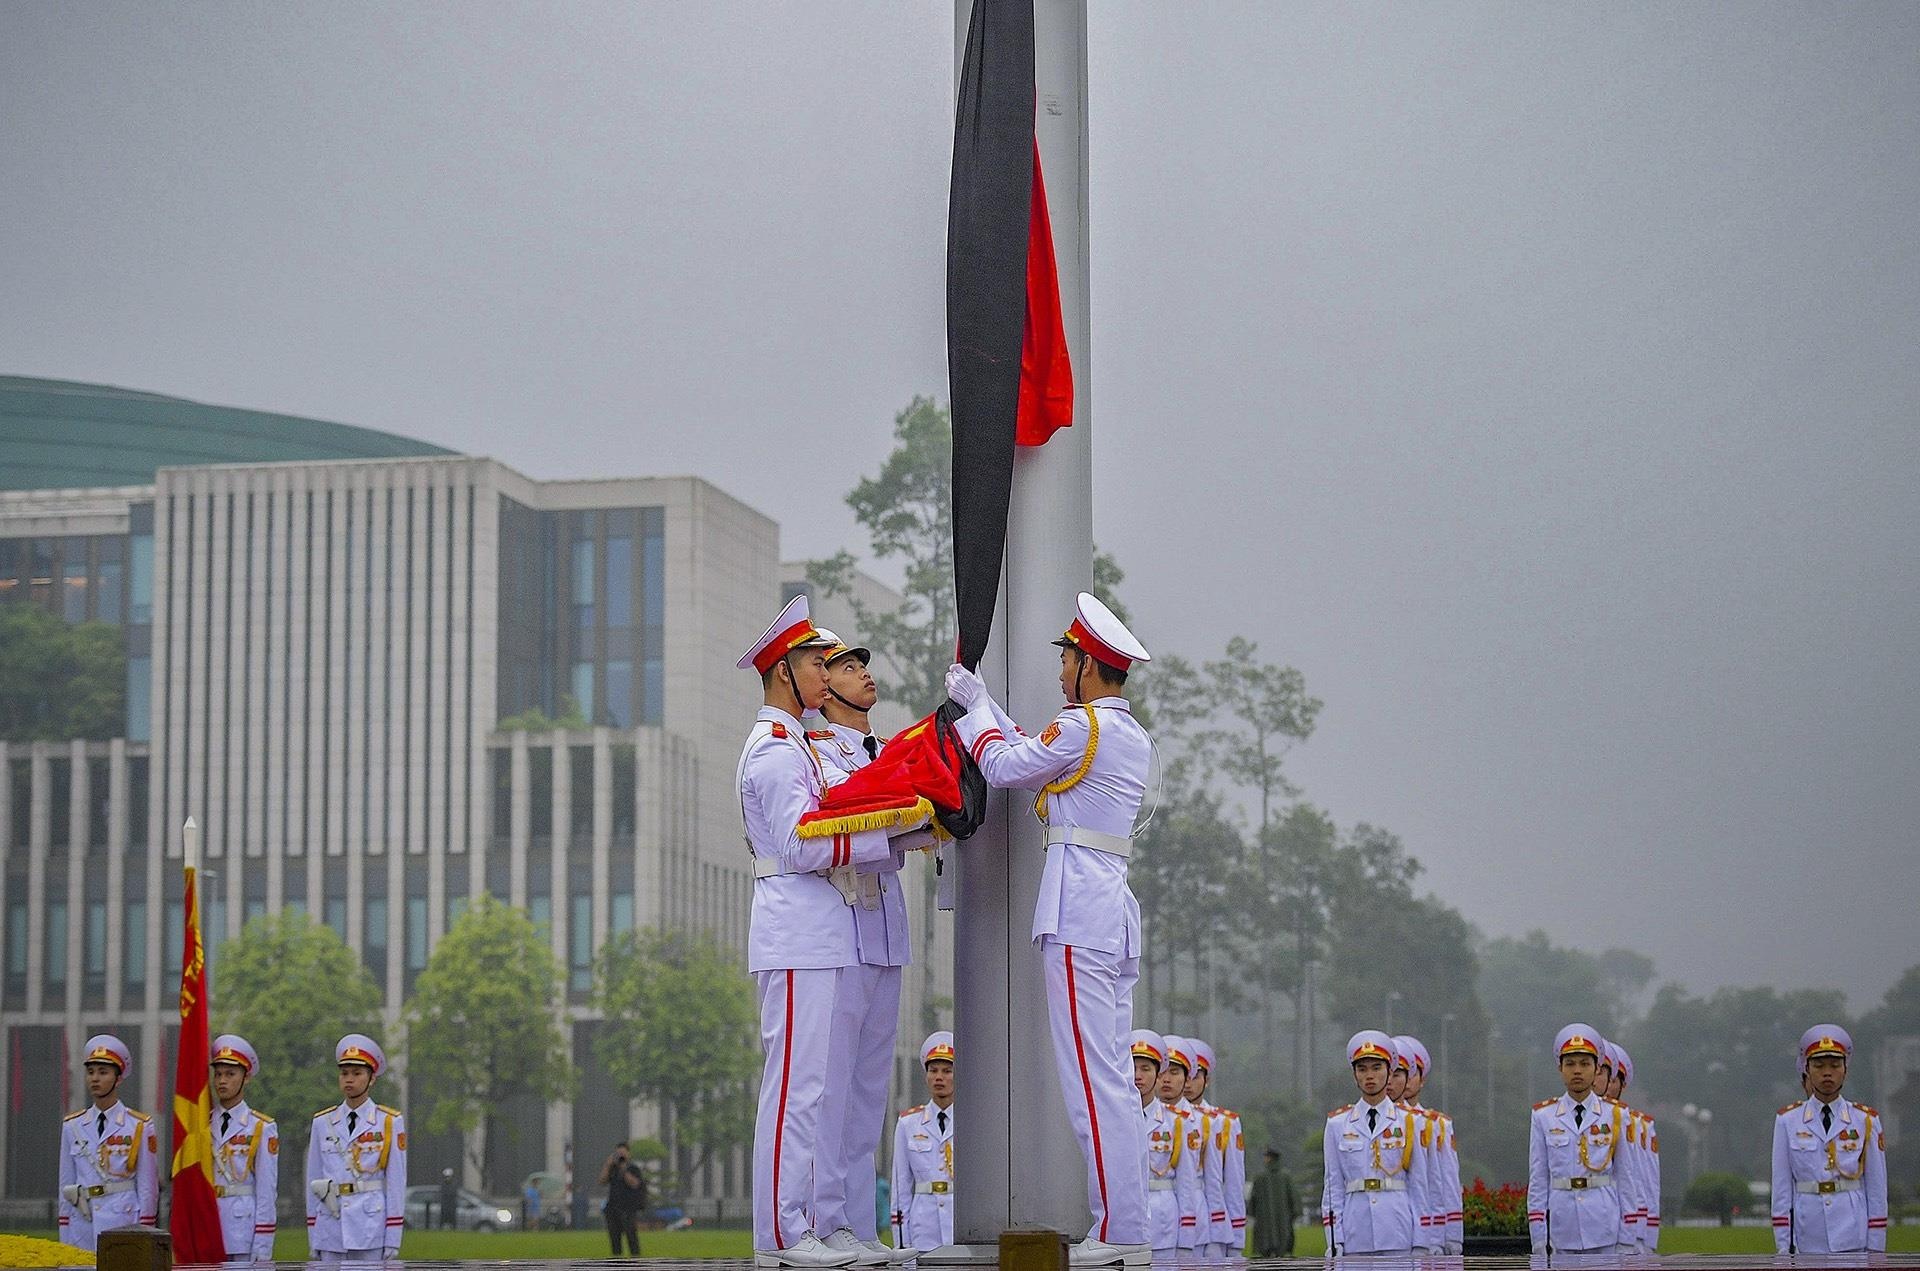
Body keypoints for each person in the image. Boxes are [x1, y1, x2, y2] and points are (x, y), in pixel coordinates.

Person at [944, 592, 1155, 1268]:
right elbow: (1033, 748)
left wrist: (973, 709)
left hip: (1078, 911)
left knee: (1091, 1080)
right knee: (1112, 1078)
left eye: (1068, 658)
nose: (1062, 668)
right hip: (1110, 908)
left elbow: (1007, 766)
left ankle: (1120, 1228)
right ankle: (1127, 1221)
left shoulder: (1082, 726)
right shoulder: (1120, 731)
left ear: (1090, 665)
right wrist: (987, 708)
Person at [739, 596, 904, 1269]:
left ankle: (827, 1222)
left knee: (826, 1091)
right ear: (785, 671)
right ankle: (783, 1233)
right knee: (796, 1091)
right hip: (797, 930)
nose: (822, 670)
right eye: (813, 661)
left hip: (819, 931)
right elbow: (803, 843)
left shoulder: (793, 748)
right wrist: (884, 831)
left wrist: (903, 827)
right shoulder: (778, 751)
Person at [810, 629, 916, 1265]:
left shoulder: (880, 747)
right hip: (843, 925)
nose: (862, 676)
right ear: (826, 687)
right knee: (833, 1086)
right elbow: (835, 827)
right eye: (847, 669)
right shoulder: (819, 752)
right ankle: (825, 1221)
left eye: (861, 666)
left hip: (883, 928)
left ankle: (856, 1223)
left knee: (869, 1088)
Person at [1771, 1025, 1888, 1254]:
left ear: (1845, 1070)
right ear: (1806, 1069)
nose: (1827, 1073)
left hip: (1853, 1234)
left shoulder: (1865, 1120)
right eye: (1819, 1065)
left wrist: (1876, 1249)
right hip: (1807, 1236)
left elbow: (1876, 1189)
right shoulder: (1787, 1120)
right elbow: (1781, 1190)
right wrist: (1784, 1248)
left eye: (1835, 1065)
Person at [1321, 1031, 1428, 1256]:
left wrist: (1422, 1241)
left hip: (1398, 1232)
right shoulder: (1337, 1124)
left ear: (1390, 1074)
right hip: (1355, 1233)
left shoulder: (1410, 1121)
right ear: (1354, 1075)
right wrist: (1334, 1239)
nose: (1369, 1076)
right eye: (1362, 1069)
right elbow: (1333, 1187)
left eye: (1376, 1068)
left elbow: (1419, 1185)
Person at [1527, 1024, 1629, 1256]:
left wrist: (1628, 1238)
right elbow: (1539, 1179)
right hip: (1564, 1228)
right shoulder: (1543, 1117)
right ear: (1560, 1068)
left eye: (1585, 1064)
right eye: (1570, 1064)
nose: (1577, 1071)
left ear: (1596, 1069)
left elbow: (1625, 1179)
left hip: (1605, 1226)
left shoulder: (1615, 1115)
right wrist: (1538, 1237)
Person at [306, 1033, 407, 1262]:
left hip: (370, 1225)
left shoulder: (389, 1122)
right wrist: (313, 1232)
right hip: (330, 1225)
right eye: (344, 1073)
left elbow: (396, 1183)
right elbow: (313, 1181)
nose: (349, 1079)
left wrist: (393, 1237)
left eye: (357, 1073)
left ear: (372, 1079)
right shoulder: (323, 1122)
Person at [57, 1034, 158, 1252]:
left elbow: (147, 1186)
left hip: (123, 1220)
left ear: (118, 1078)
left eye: (103, 1072)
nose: (95, 1079)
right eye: (91, 1072)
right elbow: (65, 1184)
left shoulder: (139, 1126)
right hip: (82, 1222)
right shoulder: (72, 1126)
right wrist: (64, 1234)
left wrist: (146, 1229)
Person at [1131, 1030, 1201, 1261]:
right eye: (1133, 1067)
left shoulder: (1177, 1123)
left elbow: (1187, 1184)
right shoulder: (1112, 1120)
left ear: (1158, 1075)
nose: (1138, 1076)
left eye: (1146, 1069)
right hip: (1125, 1224)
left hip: (1164, 1224)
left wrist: (1187, 1239)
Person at [209, 1034, 278, 1263]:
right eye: (218, 1074)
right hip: (209, 1224)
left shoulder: (260, 1127)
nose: (222, 1081)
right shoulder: (202, 1125)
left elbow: (266, 1189)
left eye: (230, 1074)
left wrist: (263, 1240)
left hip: (243, 1227)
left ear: (246, 1077)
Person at [891, 1032, 957, 1255]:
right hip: (923, 1229)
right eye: (933, 1070)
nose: (939, 1077)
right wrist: (902, 1246)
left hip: (959, 1227)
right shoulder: (908, 1124)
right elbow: (900, 1189)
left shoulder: (971, 1123)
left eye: (947, 1071)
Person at [1395, 1034, 1461, 1255]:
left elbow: (1444, 1185)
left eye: (1411, 1073)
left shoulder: (1435, 1124)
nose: (1403, 1080)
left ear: (1422, 1078)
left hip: (1427, 1230)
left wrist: (1449, 1235)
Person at [1185, 1039, 1245, 1259]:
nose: (1188, 1084)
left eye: (1195, 1076)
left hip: (1212, 1221)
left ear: (1207, 1079)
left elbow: (1234, 1183)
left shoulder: (1224, 1122)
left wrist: (1237, 1236)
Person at [1248, 1147, 1298, 1259]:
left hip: (1263, 1225)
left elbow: (1253, 1201)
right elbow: (1294, 1200)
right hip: (1284, 1224)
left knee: (1265, 1256)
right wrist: (1293, 1215)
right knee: (1282, 1252)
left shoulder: (1259, 1178)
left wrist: (1253, 1213)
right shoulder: (1286, 1177)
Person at [600, 1143, 644, 1257]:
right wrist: (607, 1165)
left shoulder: (633, 1168)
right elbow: (602, 1181)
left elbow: (635, 1184)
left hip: (628, 1209)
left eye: (623, 1153)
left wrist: (624, 1169)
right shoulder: (612, 1169)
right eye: (618, 1154)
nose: (620, 1156)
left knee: (632, 1239)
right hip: (612, 1209)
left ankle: (636, 1265)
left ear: (628, 1154)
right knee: (615, 1242)